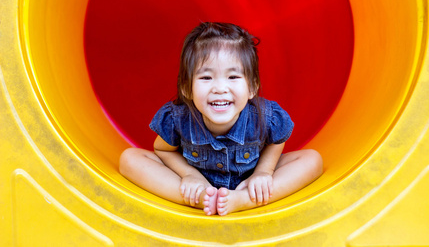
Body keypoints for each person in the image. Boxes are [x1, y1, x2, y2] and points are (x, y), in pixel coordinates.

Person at [119, 22, 323, 216]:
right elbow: (162, 149)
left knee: (312, 160)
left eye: (233, 77)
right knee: (130, 159)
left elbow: (277, 141)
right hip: (197, 184)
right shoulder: (179, 118)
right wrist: (190, 176)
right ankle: (199, 199)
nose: (219, 88)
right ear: (186, 88)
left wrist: (263, 173)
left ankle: (244, 200)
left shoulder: (264, 115)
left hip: (248, 183)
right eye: (206, 78)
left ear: (252, 86)